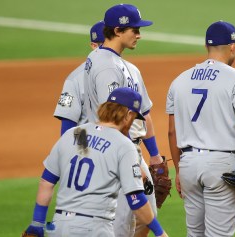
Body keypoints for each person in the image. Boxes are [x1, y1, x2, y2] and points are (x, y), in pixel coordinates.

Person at [23, 87, 168, 237]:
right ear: (128, 114)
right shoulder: (124, 145)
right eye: (134, 118)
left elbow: (46, 182)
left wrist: (37, 223)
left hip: (59, 226)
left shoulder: (72, 134)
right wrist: (160, 233)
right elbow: (135, 199)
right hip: (94, 228)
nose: (132, 124)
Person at [166, 21, 235, 237]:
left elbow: (172, 132)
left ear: (206, 46)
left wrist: (179, 170)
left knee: (194, 234)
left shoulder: (179, 81)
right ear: (232, 47)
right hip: (221, 165)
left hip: (189, 165)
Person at [84, 4, 167, 237]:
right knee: (120, 227)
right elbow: (111, 120)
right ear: (118, 30)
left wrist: (155, 156)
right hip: (114, 154)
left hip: (130, 150)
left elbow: (145, 114)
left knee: (146, 216)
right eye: (134, 29)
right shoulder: (104, 65)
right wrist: (134, 165)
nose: (139, 34)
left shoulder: (124, 65)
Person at [54, 21, 105, 135]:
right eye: (105, 44)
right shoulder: (75, 79)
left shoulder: (127, 70)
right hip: (88, 147)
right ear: (94, 46)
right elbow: (68, 120)